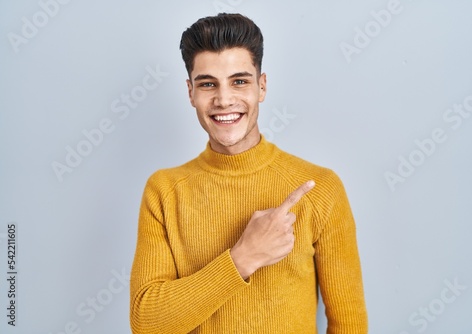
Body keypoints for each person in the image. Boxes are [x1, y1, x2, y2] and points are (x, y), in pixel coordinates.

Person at [130, 13, 368, 334]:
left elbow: (349, 323)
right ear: (190, 93)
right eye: (207, 84)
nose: (224, 99)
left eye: (239, 81)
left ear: (262, 87)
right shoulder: (164, 190)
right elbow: (147, 323)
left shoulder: (320, 188)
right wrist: (242, 258)